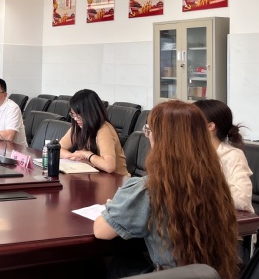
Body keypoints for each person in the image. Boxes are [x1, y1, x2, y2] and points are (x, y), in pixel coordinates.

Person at [93, 101, 239, 279]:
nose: (147, 136)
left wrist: (116, 205)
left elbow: (101, 231)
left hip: (169, 275)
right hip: (215, 274)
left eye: (148, 131)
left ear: (161, 139)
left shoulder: (148, 189)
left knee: (112, 265)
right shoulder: (216, 183)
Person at [195, 99, 253, 212]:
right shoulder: (194, 153)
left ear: (210, 126)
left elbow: (242, 200)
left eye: (191, 122)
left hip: (227, 219)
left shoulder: (233, 156)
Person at [59, 89, 128, 176]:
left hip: (117, 180)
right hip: (96, 177)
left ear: (90, 113)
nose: (76, 119)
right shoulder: (79, 126)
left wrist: (86, 155)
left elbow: (109, 166)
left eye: (79, 115)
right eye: (73, 114)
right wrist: (74, 157)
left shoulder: (104, 130)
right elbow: (59, 148)